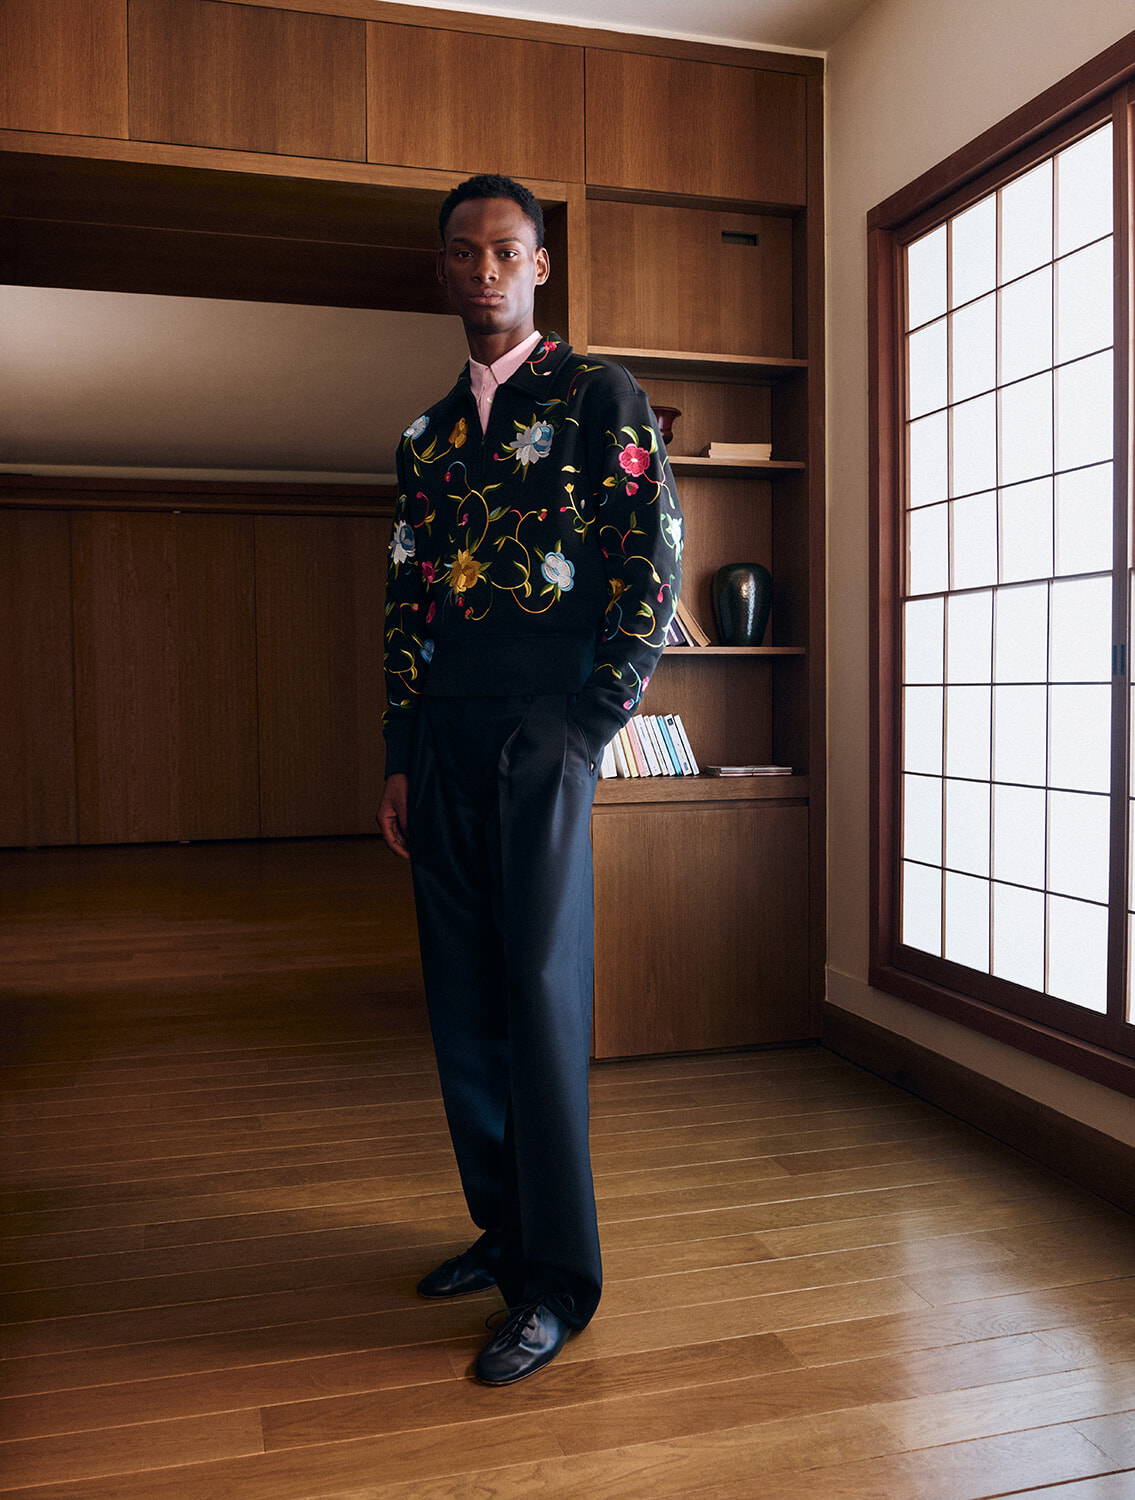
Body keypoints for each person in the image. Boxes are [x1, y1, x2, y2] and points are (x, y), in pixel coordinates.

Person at [376, 173, 683, 1385]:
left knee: (541, 995)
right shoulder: (425, 437)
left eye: (507, 251)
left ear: (539, 266)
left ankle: (558, 1282)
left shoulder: (598, 395)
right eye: (465, 254)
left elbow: (653, 553)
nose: (486, 270)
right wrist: (400, 753)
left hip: (547, 727)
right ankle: (501, 1233)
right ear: (444, 270)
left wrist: (596, 721)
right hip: (443, 730)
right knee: (462, 999)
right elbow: (404, 602)